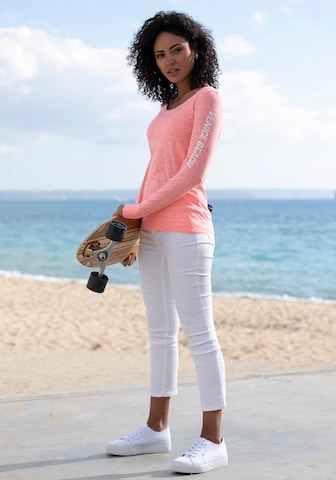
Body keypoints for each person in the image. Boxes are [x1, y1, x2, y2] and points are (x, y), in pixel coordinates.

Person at [106, 11, 227, 474]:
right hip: (152, 230)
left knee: (199, 334)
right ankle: (156, 429)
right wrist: (135, 225)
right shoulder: (165, 109)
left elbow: (193, 173)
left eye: (177, 49)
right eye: (159, 54)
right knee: (159, 333)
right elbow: (156, 170)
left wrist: (134, 211)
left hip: (188, 228)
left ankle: (213, 439)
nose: (169, 60)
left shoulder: (207, 100)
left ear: (196, 48)